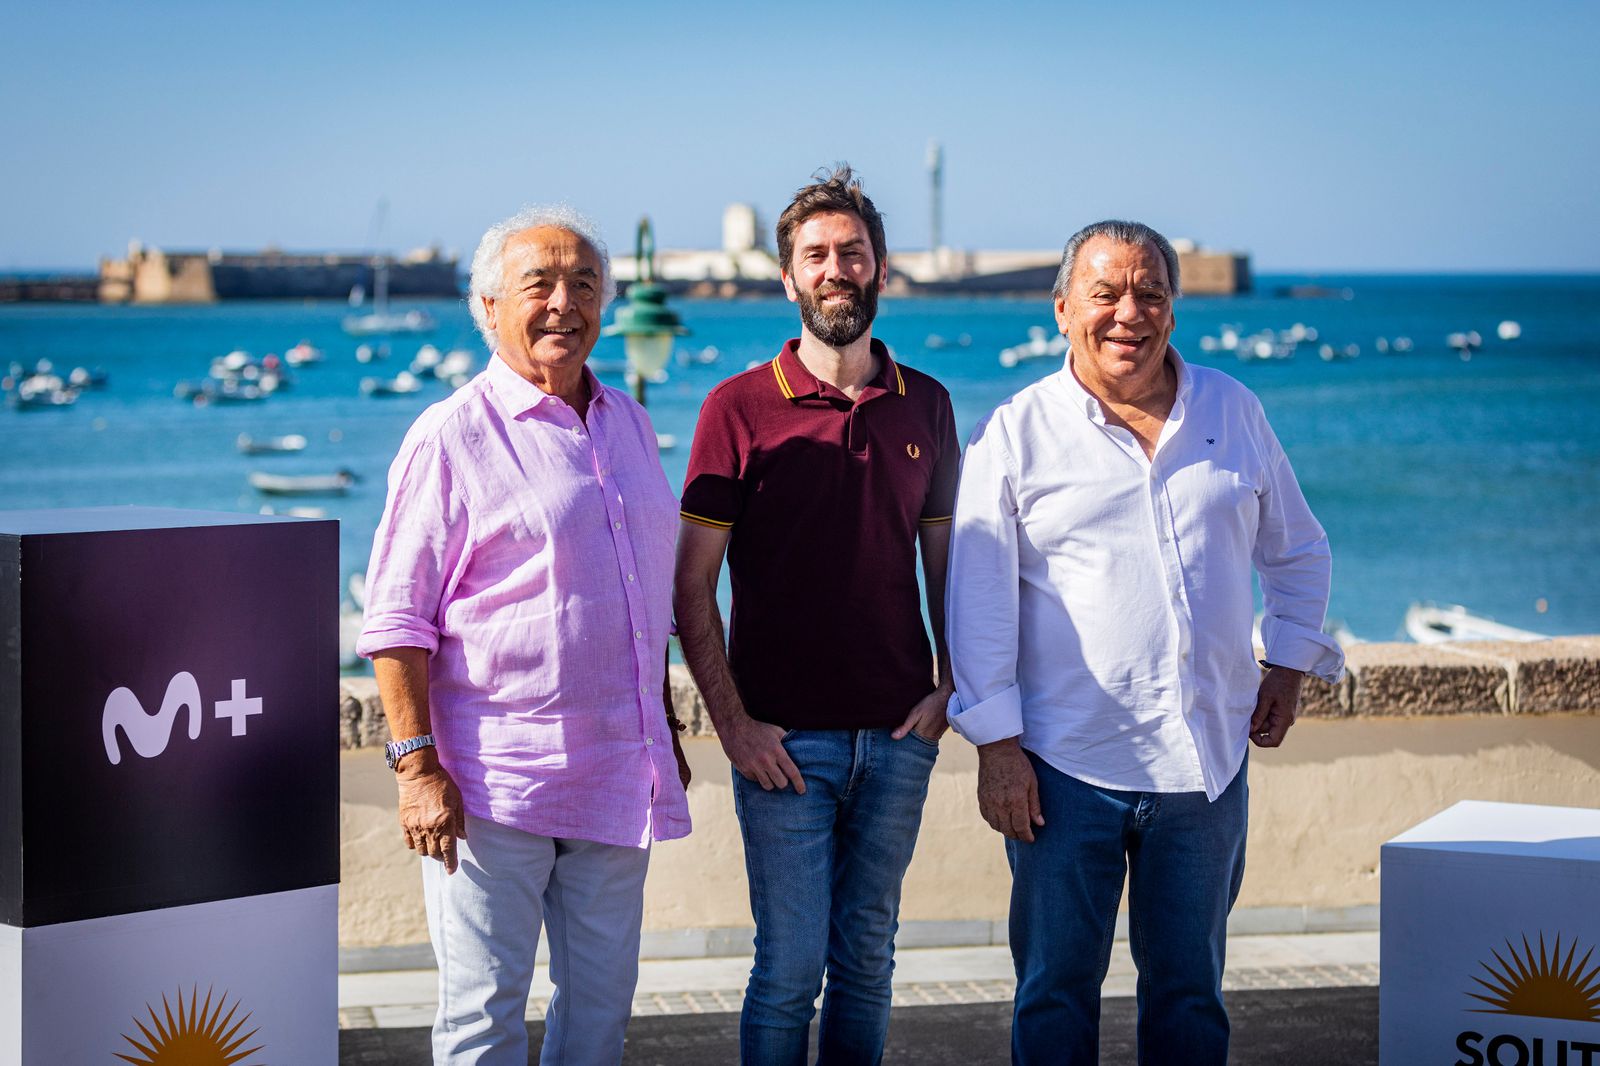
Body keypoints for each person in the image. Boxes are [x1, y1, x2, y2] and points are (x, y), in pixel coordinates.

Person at [945, 219, 1346, 1065]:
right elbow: (977, 603)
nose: (1128, 313)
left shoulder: (1234, 410)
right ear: (1062, 310)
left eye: (1150, 294)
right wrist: (997, 748)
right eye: (1105, 294)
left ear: (1174, 310)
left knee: (1191, 995)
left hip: (1205, 767)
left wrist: (1290, 661)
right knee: (1054, 994)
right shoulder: (1014, 433)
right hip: (1064, 768)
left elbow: (1299, 549)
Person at [357, 205, 691, 1065]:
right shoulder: (450, 436)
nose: (562, 303)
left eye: (584, 283)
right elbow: (397, 620)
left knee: (598, 1020)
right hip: (489, 790)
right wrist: (416, 768)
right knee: (482, 1022)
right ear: (487, 307)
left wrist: (660, 722)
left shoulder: (629, 422)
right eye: (537, 283)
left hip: (619, 778)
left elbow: (637, 593)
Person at [674, 165, 960, 1064]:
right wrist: (734, 725)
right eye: (816, 256)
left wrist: (951, 689)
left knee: (868, 961)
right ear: (789, 277)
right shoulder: (737, 408)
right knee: (789, 972)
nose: (836, 269)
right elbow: (692, 589)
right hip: (784, 747)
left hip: (899, 734)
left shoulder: (930, 405)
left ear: (882, 269)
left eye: (853, 253)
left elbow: (948, 566)